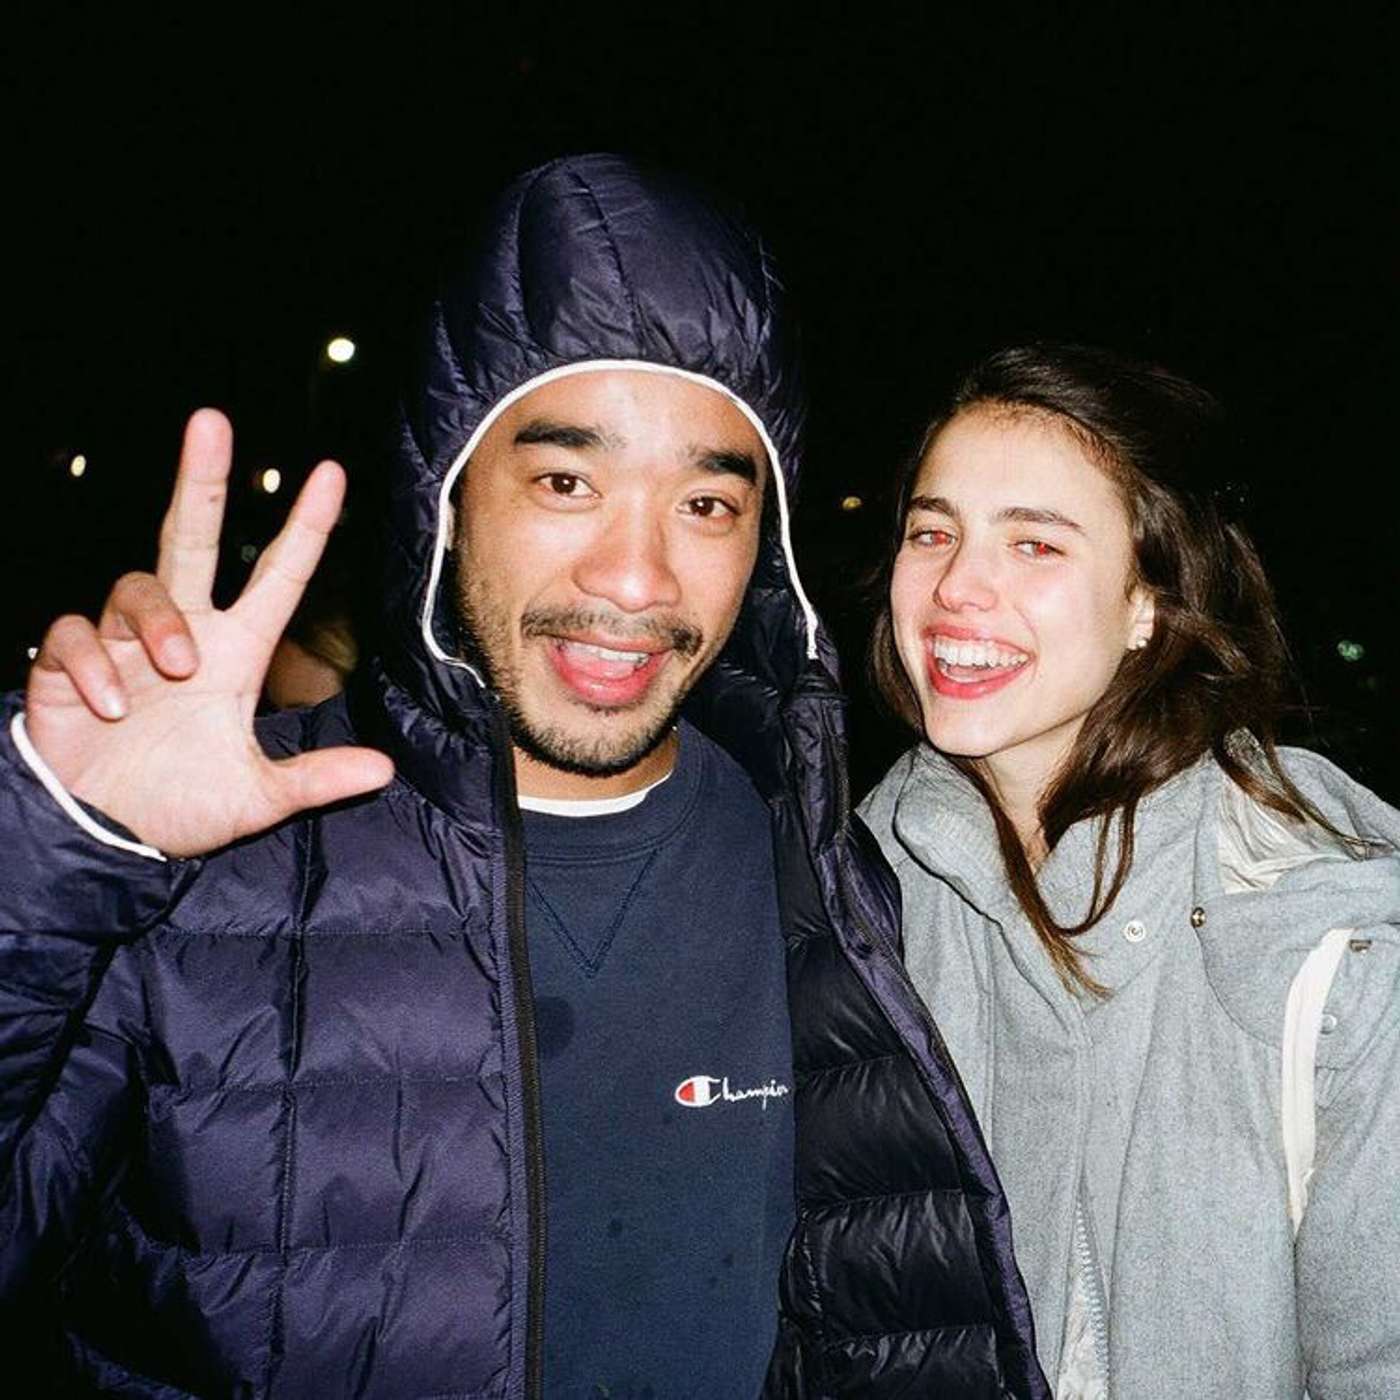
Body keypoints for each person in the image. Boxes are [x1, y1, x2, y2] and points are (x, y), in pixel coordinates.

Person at [0, 156, 1048, 1397]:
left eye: (705, 505)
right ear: (446, 496)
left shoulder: (821, 870)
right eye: (565, 481)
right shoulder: (196, 861)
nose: (634, 576)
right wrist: (49, 854)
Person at [860, 342, 1400, 1398]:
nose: (957, 585)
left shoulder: (1326, 936)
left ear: (1147, 602)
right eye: (933, 531)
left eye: (1035, 544)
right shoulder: (859, 892)